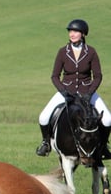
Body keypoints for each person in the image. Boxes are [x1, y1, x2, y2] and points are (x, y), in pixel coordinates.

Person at [35, 19, 111, 158]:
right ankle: (45, 143)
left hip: (87, 91)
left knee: (108, 119)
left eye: (75, 31)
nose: (72, 34)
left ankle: (103, 147)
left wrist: (90, 93)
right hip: (66, 91)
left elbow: (98, 76)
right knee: (43, 117)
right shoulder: (63, 52)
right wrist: (63, 91)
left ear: (83, 34)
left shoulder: (91, 52)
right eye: (70, 31)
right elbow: (55, 76)